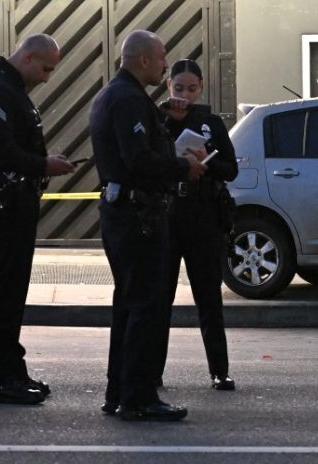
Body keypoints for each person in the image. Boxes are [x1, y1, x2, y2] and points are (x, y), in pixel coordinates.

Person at [90, 30, 207, 422]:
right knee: (144, 306)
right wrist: (183, 166)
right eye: (161, 57)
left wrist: (160, 117)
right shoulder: (128, 99)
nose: (165, 64)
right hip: (137, 215)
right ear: (143, 60)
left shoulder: (115, 95)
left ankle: (119, 391)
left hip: (123, 211)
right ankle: (138, 397)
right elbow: (138, 160)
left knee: (128, 303)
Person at [0, 34, 77, 405]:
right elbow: (1, 151)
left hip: (14, 198)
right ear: (28, 57)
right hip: (2, 199)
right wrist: (44, 165)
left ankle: (12, 371)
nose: (47, 77)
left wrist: (42, 165)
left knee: (13, 292)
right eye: (45, 69)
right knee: (4, 290)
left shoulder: (10, 88)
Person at [155, 59, 239, 392]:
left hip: (204, 213)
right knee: (160, 297)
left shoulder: (210, 123)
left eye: (191, 89)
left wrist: (207, 160)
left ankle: (219, 370)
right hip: (168, 212)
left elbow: (230, 169)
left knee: (208, 296)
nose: (184, 96)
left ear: (200, 87)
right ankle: (152, 371)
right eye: (179, 88)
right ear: (168, 86)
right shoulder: (158, 118)